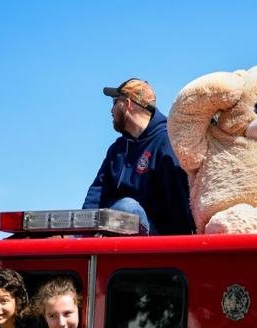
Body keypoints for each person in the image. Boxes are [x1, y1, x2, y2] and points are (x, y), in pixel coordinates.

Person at [82, 78, 195, 236]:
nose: (111, 110)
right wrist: (80, 236)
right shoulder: (117, 149)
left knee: (126, 209)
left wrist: (181, 251)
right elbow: (96, 195)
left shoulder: (166, 142)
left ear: (127, 103)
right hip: (113, 231)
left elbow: (179, 201)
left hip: (158, 241)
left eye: (115, 102)